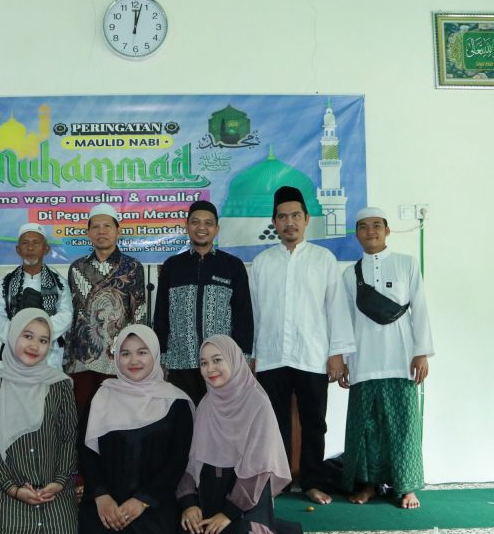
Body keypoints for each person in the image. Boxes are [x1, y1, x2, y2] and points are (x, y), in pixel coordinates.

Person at [176, 336, 347, 534]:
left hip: (245, 503)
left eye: (217, 360)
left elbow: (257, 472)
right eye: (203, 363)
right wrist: (190, 504)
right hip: (209, 497)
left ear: (235, 361)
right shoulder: (206, 404)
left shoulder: (257, 403)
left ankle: (262, 530)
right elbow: (191, 463)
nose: (210, 369)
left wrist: (227, 513)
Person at [250, 186, 355, 505]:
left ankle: (311, 480)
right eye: (283, 217)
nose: (289, 222)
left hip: (312, 355)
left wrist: (337, 353)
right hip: (270, 355)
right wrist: (252, 355)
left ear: (307, 219)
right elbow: (254, 312)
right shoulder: (262, 262)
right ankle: (278, 481)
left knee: (314, 422)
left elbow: (336, 308)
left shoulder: (323, 259)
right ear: (274, 222)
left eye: (295, 215)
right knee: (273, 422)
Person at [78, 325, 193, 534]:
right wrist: (101, 496)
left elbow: (177, 462)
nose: (133, 361)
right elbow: (86, 451)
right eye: (125, 353)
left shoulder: (176, 402)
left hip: (153, 500)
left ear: (155, 355)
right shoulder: (102, 395)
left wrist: (143, 500)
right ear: (116, 357)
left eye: (142, 352)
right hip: (107, 499)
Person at [340, 207, 434, 509]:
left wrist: (421, 353)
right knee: (366, 427)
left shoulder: (407, 265)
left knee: (404, 426)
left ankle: (406, 487)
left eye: (377, 225)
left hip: (402, 358)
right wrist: (342, 359)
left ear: (388, 230)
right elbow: (343, 320)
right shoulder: (349, 274)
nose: (371, 231)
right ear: (357, 234)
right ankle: (367, 485)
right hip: (364, 360)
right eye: (364, 227)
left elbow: (419, 310)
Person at [0, 309, 79, 534]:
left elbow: (68, 438)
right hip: (6, 489)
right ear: (12, 336)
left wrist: (61, 482)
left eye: (43, 340)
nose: (35, 346)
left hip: (54, 489)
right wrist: (13, 488)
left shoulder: (60, 385)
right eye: (27, 336)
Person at [153, 200, 253, 405]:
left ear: (217, 229)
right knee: (185, 424)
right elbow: (161, 315)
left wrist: (243, 357)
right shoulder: (173, 266)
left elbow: (243, 315)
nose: (202, 227)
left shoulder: (232, 266)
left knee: (221, 423)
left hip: (220, 364)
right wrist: (161, 357)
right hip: (180, 362)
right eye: (196, 222)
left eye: (208, 223)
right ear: (187, 225)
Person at [65, 204, 146, 436]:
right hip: (83, 358)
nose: (102, 231)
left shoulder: (132, 267)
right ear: (89, 233)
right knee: (83, 417)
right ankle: (83, 471)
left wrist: (135, 354)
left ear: (118, 231)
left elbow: (138, 313)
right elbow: (72, 313)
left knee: (118, 419)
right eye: (96, 227)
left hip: (118, 358)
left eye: (107, 226)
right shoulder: (77, 268)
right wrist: (68, 357)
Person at [0, 223, 72, 369]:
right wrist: (19, 337)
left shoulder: (59, 282)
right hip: (13, 352)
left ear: (46, 249)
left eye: (36, 242)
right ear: (17, 249)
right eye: (25, 243)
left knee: (48, 392)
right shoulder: (5, 282)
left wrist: (38, 336)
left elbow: (66, 315)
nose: (30, 247)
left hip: (49, 354)